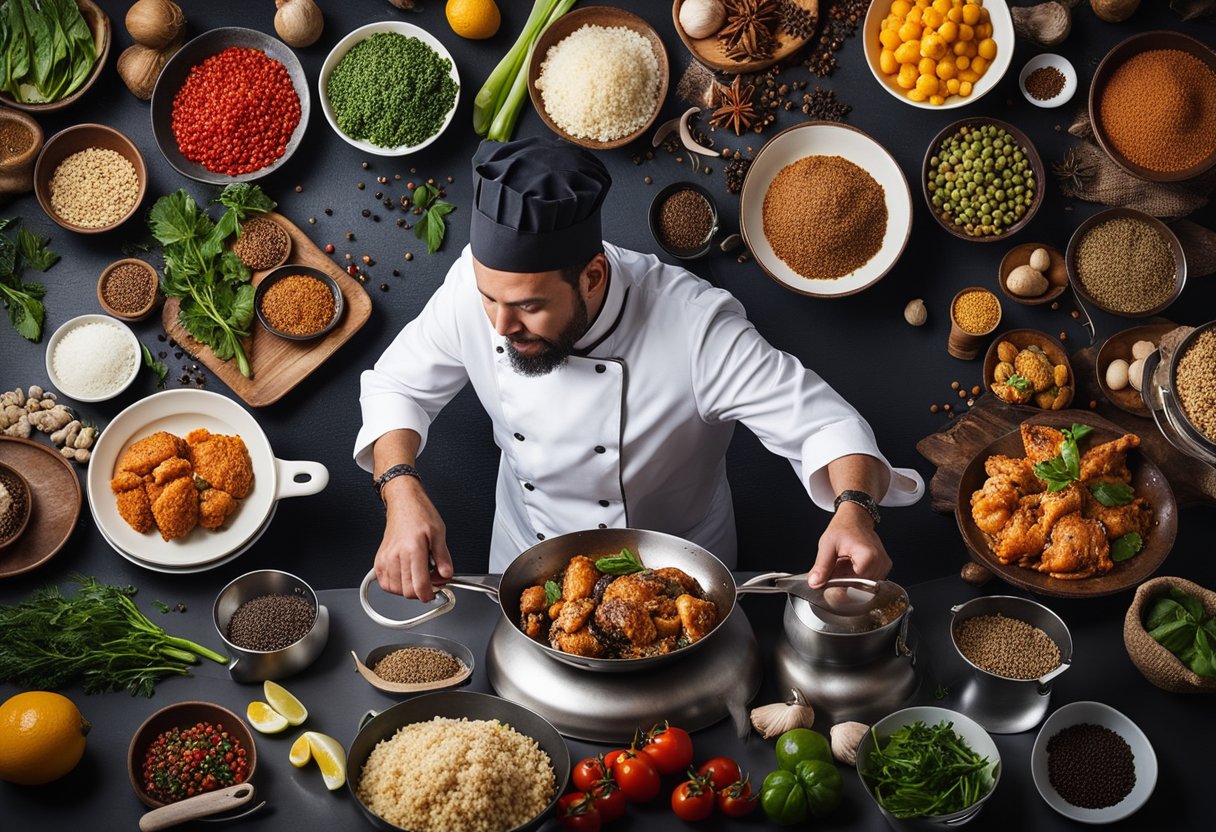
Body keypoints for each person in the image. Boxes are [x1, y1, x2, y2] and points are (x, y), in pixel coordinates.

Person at [355, 137, 923, 601]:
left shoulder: (696, 327)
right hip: (525, 555)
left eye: (530, 307)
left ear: (593, 277)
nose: (500, 327)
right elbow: (397, 386)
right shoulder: (475, 288)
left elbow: (825, 427)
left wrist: (856, 512)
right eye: (490, 299)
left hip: (674, 573)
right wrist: (399, 488)